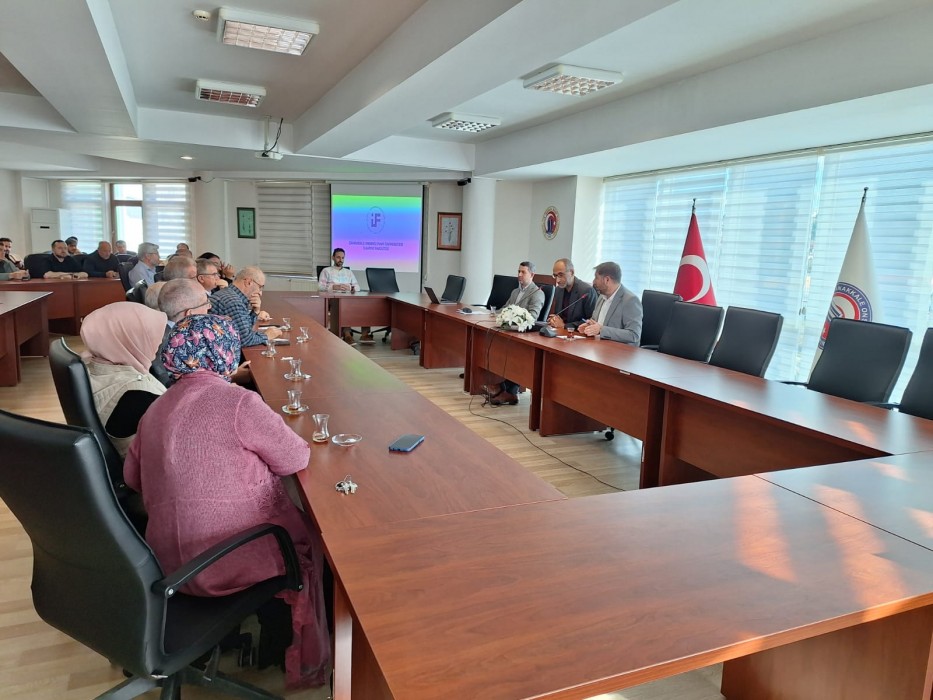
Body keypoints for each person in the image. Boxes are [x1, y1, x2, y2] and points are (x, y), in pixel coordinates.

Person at [124, 314, 330, 688]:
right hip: (226, 559)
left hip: (163, 563)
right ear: (226, 353)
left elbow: (132, 479)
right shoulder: (239, 403)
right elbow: (295, 458)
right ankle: (287, 643)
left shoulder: (155, 408)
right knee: (318, 532)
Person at [80, 302, 167, 457]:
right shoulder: (138, 396)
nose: (160, 341)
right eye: (150, 335)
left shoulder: (87, 367)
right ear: (131, 339)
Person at [484, 262, 546, 406]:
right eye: (518, 271)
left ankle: (509, 391)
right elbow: (505, 309)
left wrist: (515, 319)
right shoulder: (515, 292)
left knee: (515, 354)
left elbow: (533, 317)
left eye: (523, 272)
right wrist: (493, 314)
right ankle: (503, 387)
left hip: (524, 334)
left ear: (532, 274)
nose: (519, 275)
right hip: (510, 331)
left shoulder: (537, 293)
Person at [209, 266, 281, 347]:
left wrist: (255, 311)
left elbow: (245, 329)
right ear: (248, 282)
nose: (260, 293)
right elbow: (244, 340)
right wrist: (267, 335)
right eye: (260, 287)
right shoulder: (233, 302)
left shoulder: (230, 293)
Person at [577, 261, 643, 344]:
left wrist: (601, 330)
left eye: (596, 278)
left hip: (619, 350)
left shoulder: (630, 300)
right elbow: (595, 322)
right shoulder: (601, 297)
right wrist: (589, 327)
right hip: (598, 346)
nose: (593, 282)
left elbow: (634, 335)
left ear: (607, 280)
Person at [318, 248, 368, 343]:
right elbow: (320, 287)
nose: (340, 260)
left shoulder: (348, 272)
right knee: (344, 305)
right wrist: (333, 287)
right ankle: (347, 334)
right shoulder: (326, 271)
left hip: (348, 298)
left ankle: (365, 335)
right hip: (333, 299)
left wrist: (351, 288)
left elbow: (358, 287)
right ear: (333, 258)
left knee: (366, 305)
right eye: (338, 257)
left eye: (342, 258)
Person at [547, 258, 595, 331]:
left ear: (572, 272)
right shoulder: (558, 290)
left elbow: (591, 321)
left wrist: (564, 326)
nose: (557, 280)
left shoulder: (586, 291)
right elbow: (558, 315)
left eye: (561, 275)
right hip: (560, 332)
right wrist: (553, 320)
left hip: (578, 334)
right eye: (555, 276)